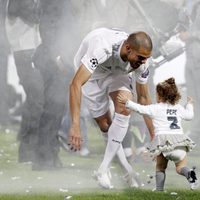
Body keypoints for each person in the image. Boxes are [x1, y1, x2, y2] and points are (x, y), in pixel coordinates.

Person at [68, 27, 154, 189]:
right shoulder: (101, 48)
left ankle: (104, 169)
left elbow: (143, 98)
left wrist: (153, 133)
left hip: (118, 73)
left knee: (125, 106)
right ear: (128, 48)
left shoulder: (141, 62)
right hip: (92, 76)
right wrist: (75, 125)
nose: (143, 62)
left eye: (146, 58)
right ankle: (126, 169)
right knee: (105, 125)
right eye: (141, 57)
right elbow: (76, 84)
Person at [118, 77, 198, 191]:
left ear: (160, 96)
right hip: (179, 141)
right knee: (181, 167)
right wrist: (190, 104)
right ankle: (190, 174)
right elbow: (190, 116)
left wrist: (127, 102)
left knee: (160, 167)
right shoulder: (179, 108)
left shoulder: (156, 108)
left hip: (163, 142)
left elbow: (141, 109)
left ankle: (159, 189)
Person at [179, 0, 200, 143]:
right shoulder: (188, 4)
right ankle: (195, 133)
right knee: (193, 98)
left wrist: (190, 34)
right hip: (191, 57)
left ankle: (195, 133)